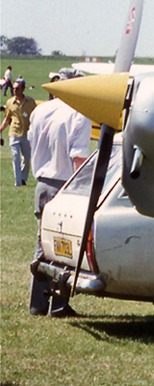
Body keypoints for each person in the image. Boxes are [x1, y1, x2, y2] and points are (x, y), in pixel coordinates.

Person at [27, 91, 93, 316]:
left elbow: (32, 141)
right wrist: (82, 191)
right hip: (65, 185)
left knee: (44, 243)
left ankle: (40, 302)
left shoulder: (40, 109)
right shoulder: (79, 114)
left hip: (42, 183)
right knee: (65, 249)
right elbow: (78, 158)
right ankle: (56, 304)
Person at [2, 79, 38, 186]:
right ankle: (18, 183)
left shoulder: (30, 102)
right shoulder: (10, 102)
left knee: (27, 158)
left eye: (17, 88)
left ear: (23, 89)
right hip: (14, 133)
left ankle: (22, 178)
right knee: (15, 157)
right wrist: (1, 129)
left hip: (26, 134)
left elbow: (36, 117)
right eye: (13, 88)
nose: (14, 90)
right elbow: (7, 119)